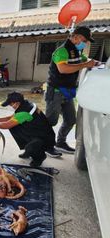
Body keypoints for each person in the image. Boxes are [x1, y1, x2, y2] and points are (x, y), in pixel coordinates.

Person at [45, 26, 98, 154]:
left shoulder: (77, 51)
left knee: (70, 120)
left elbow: (88, 60)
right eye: (84, 40)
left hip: (67, 92)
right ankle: (46, 146)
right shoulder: (62, 51)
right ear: (76, 37)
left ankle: (60, 142)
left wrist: (98, 64)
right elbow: (63, 69)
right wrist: (85, 65)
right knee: (50, 121)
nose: (85, 44)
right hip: (56, 91)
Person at [0, 92, 61, 167]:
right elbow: (9, 118)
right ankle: (29, 151)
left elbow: (6, 125)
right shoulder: (25, 104)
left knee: (33, 145)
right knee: (15, 127)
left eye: (11, 104)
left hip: (45, 138)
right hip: (39, 132)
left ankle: (39, 157)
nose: (10, 106)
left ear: (17, 103)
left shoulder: (23, 113)